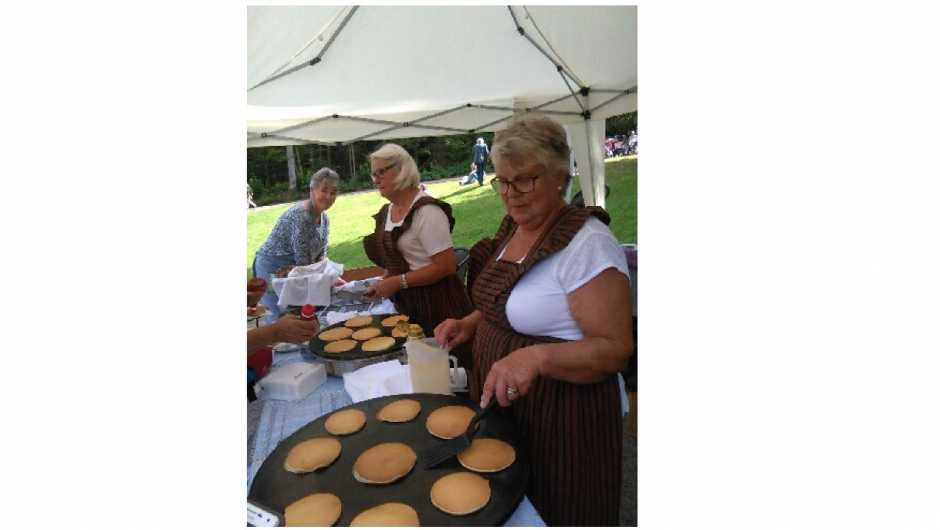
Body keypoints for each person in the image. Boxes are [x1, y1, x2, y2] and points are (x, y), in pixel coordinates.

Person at [434, 114, 634, 526]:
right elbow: (514, 301)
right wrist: (472, 322)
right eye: (502, 181)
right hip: (514, 411)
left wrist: (536, 359)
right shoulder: (516, 226)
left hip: (566, 419)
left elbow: (615, 349)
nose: (511, 194)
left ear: (561, 176)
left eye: (524, 180)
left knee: (560, 508)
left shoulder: (588, 245)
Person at [362, 143, 475, 369]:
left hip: (438, 304)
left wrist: (398, 282)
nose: (376, 179)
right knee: (421, 367)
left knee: (448, 367)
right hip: (408, 304)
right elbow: (398, 257)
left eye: (381, 172)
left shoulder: (426, 211)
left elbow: (446, 266)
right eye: (373, 174)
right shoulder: (388, 211)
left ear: (403, 169)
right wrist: (386, 280)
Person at [251, 168, 340, 323]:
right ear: (312, 190)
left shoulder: (324, 218)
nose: (328, 197)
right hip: (273, 269)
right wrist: (326, 280)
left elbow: (321, 256)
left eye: (333, 193)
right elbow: (303, 263)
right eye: (324, 191)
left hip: (294, 269)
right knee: (278, 320)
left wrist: (335, 274)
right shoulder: (302, 216)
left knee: (298, 317)